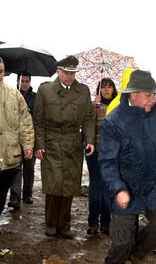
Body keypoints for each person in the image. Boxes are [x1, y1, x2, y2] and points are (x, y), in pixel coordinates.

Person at [98, 70, 156, 264]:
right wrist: (118, 189)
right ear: (132, 95)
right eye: (148, 95)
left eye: (154, 95)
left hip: (150, 183)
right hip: (124, 186)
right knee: (123, 241)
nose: (153, 100)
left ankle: (138, 254)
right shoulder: (114, 120)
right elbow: (107, 162)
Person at [34, 56, 96, 238]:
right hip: (52, 141)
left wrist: (89, 140)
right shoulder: (45, 90)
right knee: (53, 184)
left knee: (69, 185)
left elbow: (89, 118)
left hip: (72, 142)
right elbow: (38, 121)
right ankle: (51, 223)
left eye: (72, 73)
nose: (69, 77)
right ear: (58, 71)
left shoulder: (83, 91)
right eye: (66, 72)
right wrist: (39, 144)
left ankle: (64, 225)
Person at [0, 57, 34, 215]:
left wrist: (28, 145)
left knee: (1, 196)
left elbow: (25, 122)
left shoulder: (14, 94)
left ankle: (20, 197)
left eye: (0, 71)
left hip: (10, 155)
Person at [86, 78, 117, 236]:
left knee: (107, 188)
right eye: (103, 87)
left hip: (111, 154)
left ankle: (106, 223)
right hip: (93, 152)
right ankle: (92, 223)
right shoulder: (94, 106)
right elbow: (86, 124)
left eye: (109, 87)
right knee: (95, 186)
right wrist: (93, 106)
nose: (106, 90)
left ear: (113, 89)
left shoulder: (117, 107)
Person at [8, 71, 37, 208]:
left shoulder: (35, 98)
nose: (24, 84)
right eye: (22, 81)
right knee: (15, 168)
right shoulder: (12, 95)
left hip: (30, 137)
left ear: (30, 82)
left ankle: (27, 194)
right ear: (18, 81)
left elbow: (38, 119)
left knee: (29, 168)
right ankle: (15, 197)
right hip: (14, 138)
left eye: (27, 81)